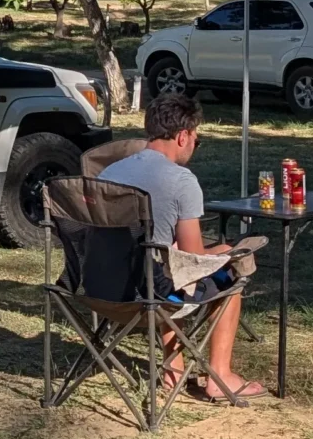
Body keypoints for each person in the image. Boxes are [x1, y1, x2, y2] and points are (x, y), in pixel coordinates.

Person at [97, 90, 266, 403]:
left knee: (164, 264)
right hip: (150, 295)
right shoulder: (181, 180)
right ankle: (220, 376)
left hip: (98, 288)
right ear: (183, 135)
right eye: (196, 139)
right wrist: (229, 250)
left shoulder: (109, 173)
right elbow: (194, 256)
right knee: (224, 277)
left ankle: (173, 369)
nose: (194, 146)